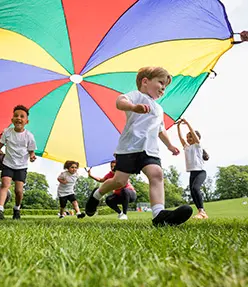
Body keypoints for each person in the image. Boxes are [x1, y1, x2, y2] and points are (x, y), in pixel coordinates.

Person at [84, 66, 193, 227]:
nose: (163, 88)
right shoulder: (137, 96)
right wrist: (134, 107)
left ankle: (159, 215)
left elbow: (160, 130)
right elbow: (120, 101)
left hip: (149, 150)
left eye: (165, 86)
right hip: (129, 147)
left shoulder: (159, 108)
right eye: (161, 83)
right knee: (119, 182)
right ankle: (96, 195)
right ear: (145, 81)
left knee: (156, 174)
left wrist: (170, 145)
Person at [0, 105, 37, 220]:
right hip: (8, 164)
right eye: (16, 116)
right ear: (12, 119)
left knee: (18, 191)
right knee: (5, 185)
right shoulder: (7, 132)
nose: (18, 118)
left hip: (21, 166)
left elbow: (31, 151)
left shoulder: (29, 136)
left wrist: (32, 156)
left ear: (26, 121)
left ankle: (17, 208)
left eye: (22, 116)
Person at [177, 118, 209, 219]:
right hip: (192, 173)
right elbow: (181, 138)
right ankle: (201, 212)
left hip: (200, 172)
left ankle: (202, 212)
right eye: (187, 137)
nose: (188, 138)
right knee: (192, 191)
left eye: (190, 136)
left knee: (195, 188)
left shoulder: (197, 146)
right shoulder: (187, 147)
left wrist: (187, 124)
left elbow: (194, 135)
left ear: (196, 138)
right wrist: (178, 126)